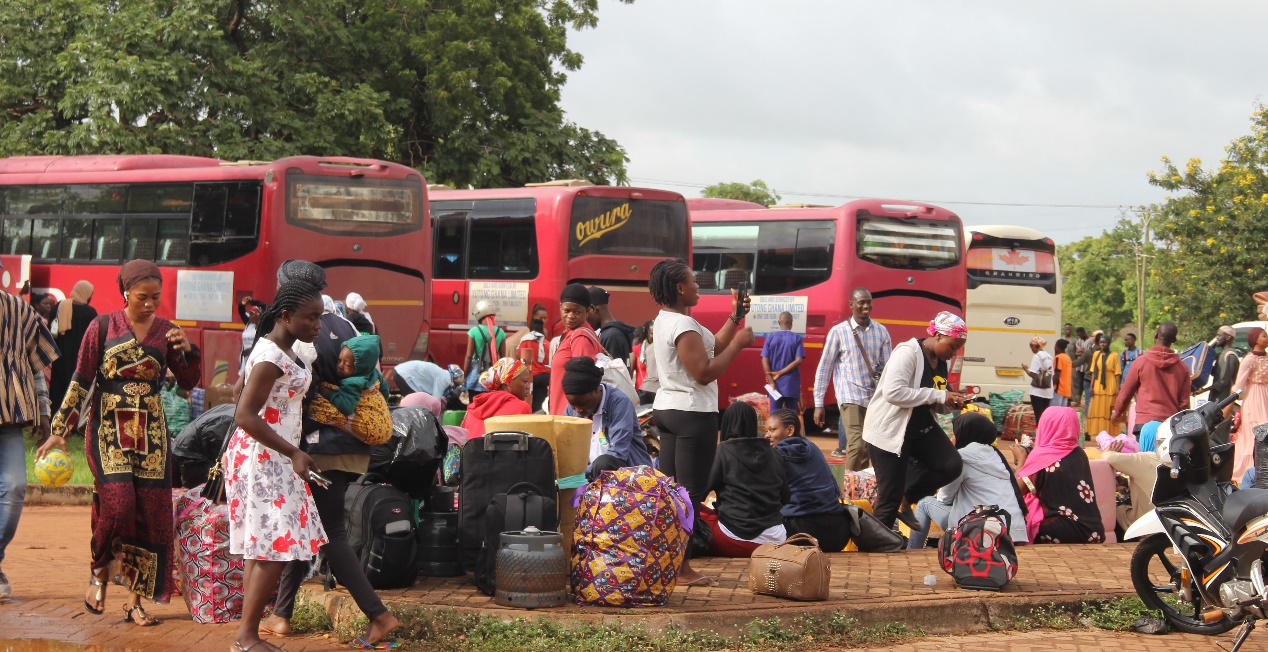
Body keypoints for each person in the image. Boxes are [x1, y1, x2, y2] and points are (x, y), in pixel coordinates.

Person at [38, 259, 200, 623]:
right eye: (142, 297)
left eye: (156, 297)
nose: (149, 304)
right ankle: (99, 570)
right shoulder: (102, 326)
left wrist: (187, 348)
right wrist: (59, 431)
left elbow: (188, 381)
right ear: (126, 292)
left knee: (151, 515)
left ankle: (136, 601)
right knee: (119, 505)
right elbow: (79, 380)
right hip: (108, 428)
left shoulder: (167, 331)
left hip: (152, 436)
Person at [263, 265, 399, 648]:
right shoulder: (348, 325)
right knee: (305, 523)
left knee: (328, 533)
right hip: (352, 443)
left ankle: (379, 616)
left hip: (319, 446)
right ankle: (281, 615)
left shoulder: (302, 333)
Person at [224, 277, 337, 652]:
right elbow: (243, 413)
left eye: (320, 317)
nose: (317, 326)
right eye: (311, 318)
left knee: (264, 547)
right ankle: (246, 635)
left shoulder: (284, 350)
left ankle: (246, 635)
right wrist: (292, 452)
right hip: (263, 457)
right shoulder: (271, 354)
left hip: (274, 455)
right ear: (286, 315)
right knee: (277, 547)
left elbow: (243, 390)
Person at [648, 258, 751, 586]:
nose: (697, 287)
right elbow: (704, 372)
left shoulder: (667, 320)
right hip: (692, 414)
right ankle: (683, 567)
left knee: (670, 492)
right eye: (693, 282)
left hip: (668, 411)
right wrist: (738, 346)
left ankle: (665, 561)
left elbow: (711, 346)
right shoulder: (684, 325)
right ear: (679, 288)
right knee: (689, 495)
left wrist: (734, 318)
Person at [862, 311, 970, 531]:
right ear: (939, 336)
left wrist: (951, 402)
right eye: (952, 346)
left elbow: (935, 398)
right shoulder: (908, 352)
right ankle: (874, 548)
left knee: (950, 465)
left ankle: (906, 499)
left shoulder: (940, 361)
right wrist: (940, 396)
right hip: (890, 431)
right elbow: (893, 393)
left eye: (957, 348)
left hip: (920, 428)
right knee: (888, 498)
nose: (953, 353)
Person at [0, 257, 58, 602]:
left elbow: (37, 368)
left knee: (16, 486)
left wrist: (44, 412)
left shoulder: (19, 312)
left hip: (8, 417)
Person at [907, 412, 1029, 549]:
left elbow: (944, 498)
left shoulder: (962, 458)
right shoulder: (996, 456)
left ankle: (913, 551)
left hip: (984, 533)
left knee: (924, 503)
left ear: (964, 434)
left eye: (954, 434)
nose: (951, 438)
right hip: (1014, 531)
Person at [813, 288, 891, 469]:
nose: (866, 306)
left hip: (873, 398)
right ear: (851, 305)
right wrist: (818, 403)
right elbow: (824, 368)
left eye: (868, 302)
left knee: (868, 447)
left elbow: (887, 369)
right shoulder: (838, 332)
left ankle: (857, 492)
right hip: (849, 395)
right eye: (861, 302)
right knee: (857, 444)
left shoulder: (881, 332)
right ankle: (843, 489)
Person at [701, 402, 788, 557]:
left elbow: (700, 493)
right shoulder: (774, 453)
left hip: (736, 539)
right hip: (777, 538)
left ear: (726, 423)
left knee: (695, 514)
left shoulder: (721, 452)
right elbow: (786, 497)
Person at [1012, 406, 1105, 544]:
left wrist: (1021, 461)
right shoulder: (1079, 453)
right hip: (1093, 531)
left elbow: (1014, 493)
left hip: (1059, 531)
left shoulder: (1041, 457)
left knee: (1013, 523)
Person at [766, 409, 852, 553]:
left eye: (772, 430)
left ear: (790, 430)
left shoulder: (776, 455)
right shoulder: (813, 448)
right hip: (838, 533)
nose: (767, 435)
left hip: (801, 534)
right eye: (767, 430)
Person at [561, 356, 652, 480]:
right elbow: (564, 442)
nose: (578, 410)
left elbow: (618, 453)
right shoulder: (573, 408)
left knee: (603, 463)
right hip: (588, 475)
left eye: (582, 404)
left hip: (627, 474)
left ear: (597, 390)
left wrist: (578, 476)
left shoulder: (619, 403)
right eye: (573, 405)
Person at [1112, 322, 1190, 434]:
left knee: (1146, 452)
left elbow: (1126, 393)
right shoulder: (1182, 368)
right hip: (1169, 426)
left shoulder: (1140, 362)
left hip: (1144, 424)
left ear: (1155, 336)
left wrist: (1117, 413)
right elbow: (1184, 403)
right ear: (1174, 340)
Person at [1102, 421, 1169, 530]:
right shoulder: (1174, 460)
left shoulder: (1145, 458)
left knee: (1117, 508)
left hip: (1148, 524)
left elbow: (1108, 457)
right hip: (1170, 521)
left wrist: (1109, 450)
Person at [548, 285, 603, 415]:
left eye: (577, 312)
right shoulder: (571, 333)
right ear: (560, 307)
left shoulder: (580, 337)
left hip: (570, 416)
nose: (571, 316)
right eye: (567, 311)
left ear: (588, 311)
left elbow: (581, 384)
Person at [49, 280, 97, 412]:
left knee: (58, 385)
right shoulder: (89, 312)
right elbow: (94, 336)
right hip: (80, 357)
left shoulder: (59, 306)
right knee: (77, 386)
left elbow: (50, 328)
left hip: (59, 355)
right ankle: (74, 418)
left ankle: (56, 416)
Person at [316, 335, 391, 417]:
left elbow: (346, 407)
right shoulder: (373, 372)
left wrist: (329, 394)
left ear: (361, 367)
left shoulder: (352, 383)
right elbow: (385, 390)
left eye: (347, 365)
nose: (340, 366)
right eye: (339, 360)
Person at [1230, 327, 1268, 482]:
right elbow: (1239, 384)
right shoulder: (1249, 359)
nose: (1266, 338)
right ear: (1255, 339)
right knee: (1253, 433)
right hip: (1253, 399)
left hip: (1266, 397)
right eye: (1264, 336)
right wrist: (1230, 402)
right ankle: (1247, 471)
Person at [461, 358, 533, 438]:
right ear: (508, 382)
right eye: (525, 381)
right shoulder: (522, 408)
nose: (528, 387)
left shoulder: (474, 406)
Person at [761, 312, 805, 413]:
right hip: (791, 384)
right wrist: (780, 372)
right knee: (791, 415)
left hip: (775, 385)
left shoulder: (770, 337)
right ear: (791, 323)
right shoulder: (796, 338)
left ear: (778, 322)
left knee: (774, 414)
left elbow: (764, 360)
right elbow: (798, 360)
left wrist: (771, 381)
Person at [1085, 335, 1123, 438]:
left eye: (1105, 342)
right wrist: (1091, 386)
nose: (1102, 344)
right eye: (1101, 342)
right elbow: (1093, 372)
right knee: (1097, 409)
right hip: (1098, 385)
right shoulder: (1096, 354)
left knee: (1108, 410)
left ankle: (1109, 432)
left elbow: (1117, 373)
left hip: (1110, 385)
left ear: (1109, 343)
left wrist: (1118, 388)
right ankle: (1097, 432)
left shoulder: (1114, 355)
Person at [465, 300, 507, 393]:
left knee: (474, 404)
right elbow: (503, 358)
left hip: (475, 373)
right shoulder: (501, 332)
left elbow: (468, 356)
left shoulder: (474, 331)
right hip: (493, 374)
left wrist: (465, 376)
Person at [588, 286, 635, 366]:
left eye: (586, 312)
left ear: (593, 309)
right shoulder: (614, 332)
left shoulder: (611, 335)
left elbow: (613, 374)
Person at [516, 318, 551, 413]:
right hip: (545, 377)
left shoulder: (525, 341)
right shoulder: (547, 343)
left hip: (531, 377)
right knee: (540, 403)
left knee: (527, 401)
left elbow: (520, 358)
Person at [1021, 336, 1054, 424]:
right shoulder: (1049, 356)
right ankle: (1045, 435)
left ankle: (1040, 435)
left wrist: (1025, 369)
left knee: (1038, 416)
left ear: (1037, 346)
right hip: (1048, 392)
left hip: (1037, 392)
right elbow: (1052, 373)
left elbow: (1033, 374)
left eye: (1032, 347)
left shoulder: (1037, 356)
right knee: (1045, 417)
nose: (1032, 349)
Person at [392, 359, 457, 402]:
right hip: (404, 374)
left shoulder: (441, 373)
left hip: (399, 371)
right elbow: (435, 400)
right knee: (415, 403)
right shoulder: (446, 378)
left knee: (411, 402)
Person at [632, 320, 658, 405]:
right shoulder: (637, 350)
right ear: (647, 333)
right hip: (642, 391)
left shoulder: (662, 349)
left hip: (658, 390)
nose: (654, 336)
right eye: (652, 333)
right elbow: (630, 374)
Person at [237, 295, 267, 369]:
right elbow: (241, 311)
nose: (251, 316)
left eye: (253, 315)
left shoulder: (262, 326)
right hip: (245, 357)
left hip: (256, 358)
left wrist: (253, 302)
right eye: (250, 314)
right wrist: (243, 303)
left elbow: (265, 307)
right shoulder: (248, 324)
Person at [1070, 327, 1091, 406]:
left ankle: (1087, 402)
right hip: (1080, 366)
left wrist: (1083, 353)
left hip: (1087, 366)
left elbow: (1089, 354)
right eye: (1078, 335)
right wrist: (1084, 353)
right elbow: (1077, 353)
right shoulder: (1078, 341)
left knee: (1086, 383)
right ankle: (1078, 401)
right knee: (1079, 383)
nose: (1080, 336)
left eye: (1081, 334)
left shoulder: (1091, 341)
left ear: (1084, 332)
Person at [1052, 339, 1073, 407]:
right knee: (1062, 413)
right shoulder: (1068, 358)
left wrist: (1051, 386)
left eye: (1055, 345)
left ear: (1057, 347)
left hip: (1059, 390)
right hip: (1066, 390)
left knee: (1055, 412)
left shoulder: (1058, 357)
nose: (1054, 347)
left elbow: (1057, 374)